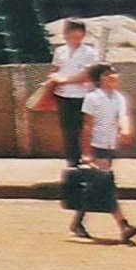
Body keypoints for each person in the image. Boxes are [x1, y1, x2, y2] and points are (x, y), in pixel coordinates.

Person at [74, 64, 136, 243]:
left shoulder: (119, 98)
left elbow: (123, 117)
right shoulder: (92, 98)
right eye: (107, 74)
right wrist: (86, 152)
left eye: (114, 73)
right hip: (97, 146)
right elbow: (87, 126)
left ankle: (77, 222)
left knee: (98, 186)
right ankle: (123, 226)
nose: (112, 76)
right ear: (99, 79)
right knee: (106, 185)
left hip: (110, 146)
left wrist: (125, 130)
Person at [47, 20, 101, 169]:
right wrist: (52, 80)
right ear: (66, 34)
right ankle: (72, 160)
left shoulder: (89, 52)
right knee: (68, 129)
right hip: (63, 95)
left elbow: (86, 75)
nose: (76, 38)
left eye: (79, 34)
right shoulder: (60, 51)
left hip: (82, 95)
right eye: (72, 34)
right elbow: (55, 69)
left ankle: (89, 158)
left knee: (84, 128)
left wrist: (64, 80)